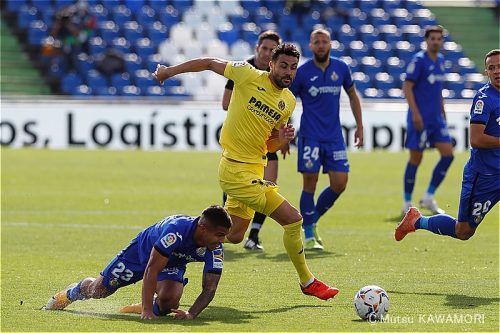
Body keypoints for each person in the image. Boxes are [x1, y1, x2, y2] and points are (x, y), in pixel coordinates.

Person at [152, 43, 339, 300]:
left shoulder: (288, 102)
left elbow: (269, 144)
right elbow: (208, 63)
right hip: (233, 170)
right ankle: (307, 281)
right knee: (294, 219)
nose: (289, 72)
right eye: (283, 65)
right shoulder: (247, 74)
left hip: (254, 170)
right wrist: (168, 72)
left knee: (234, 236)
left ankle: (178, 244)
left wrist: (282, 140)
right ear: (271, 64)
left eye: (293, 68)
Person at [44, 205, 232, 320]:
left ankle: (144, 305)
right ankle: (73, 292)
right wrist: (147, 312)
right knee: (99, 291)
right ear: (202, 228)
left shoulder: (215, 248)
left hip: (172, 262)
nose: (222, 241)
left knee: (169, 301)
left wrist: (191, 313)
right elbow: (151, 270)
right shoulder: (175, 233)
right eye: (219, 235)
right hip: (141, 253)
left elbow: (210, 288)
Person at [395, 49, 500, 242]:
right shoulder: (485, 99)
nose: (496, 71)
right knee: (463, 231)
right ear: (486, 72)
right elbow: (476, 139)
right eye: (491, 68)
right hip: (485, 175)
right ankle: (417, 221)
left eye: (499, 67)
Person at [289, 29, 363, 251]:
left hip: (334, 137)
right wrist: (283, 130)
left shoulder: (341, 68)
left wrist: (360, 125)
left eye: (324, 41)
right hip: (310, 136)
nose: (321, 45)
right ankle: (310, 234)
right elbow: (286, 100)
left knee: (340, 183)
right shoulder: (302, 73)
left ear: (330, 44)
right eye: (316, 42)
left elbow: (352, 94)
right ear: (310, 46)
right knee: (309, 184)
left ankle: (310, 221)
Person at [222, 30, 283, 251]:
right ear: (257, 48)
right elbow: (225, 103)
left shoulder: (278, 73)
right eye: (264, 48)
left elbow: (280, 109)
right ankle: (222, 228)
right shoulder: (244, 68)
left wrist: (282, 139)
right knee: (235, 188)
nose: (267, 53)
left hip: (267, 141)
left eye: (272, 50)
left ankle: (254, 235)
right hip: (243, 141)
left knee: (269, 186)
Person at [402, 25, 454, 215]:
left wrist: (443, 113)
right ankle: (407, 202)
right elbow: (407, 87)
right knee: (416, 159)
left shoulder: (440, 60)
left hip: (436, 119)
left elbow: (438, 90)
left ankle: (428, 196)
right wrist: (415, 114)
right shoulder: (419, 61)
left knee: (448, 155)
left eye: (439, 39)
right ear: (426, 40)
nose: (436, 42)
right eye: (432, 38)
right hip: (420, 119)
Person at [49, 0, 96, 72]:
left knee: (74, 48)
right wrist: (59, 23)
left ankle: (74, 70)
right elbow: (52, 35)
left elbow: (77, 34)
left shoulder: (74, 21)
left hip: (72, 42)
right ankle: (52, 67)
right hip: (60, 41)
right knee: (50, 44)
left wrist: (68, 24)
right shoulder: (57, 21)